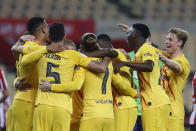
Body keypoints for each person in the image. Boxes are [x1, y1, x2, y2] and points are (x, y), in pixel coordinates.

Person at [78, 33, 138, 131]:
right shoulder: (111, 63)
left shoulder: (86, 63)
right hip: (111, 112)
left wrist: (135, 93)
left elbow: (121, 85)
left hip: (119, 105)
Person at [117, 23, 170, 131]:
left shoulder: (146, 48)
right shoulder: (139, 52)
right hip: (154, 101)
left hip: (154, 102)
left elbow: (149, 66)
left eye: (130, 33)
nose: (127, 37)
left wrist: (125, 63)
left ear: (137, 35)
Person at [7, 17, 49, 131]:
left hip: (22, 99)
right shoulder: (34, 48)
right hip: (27, 101)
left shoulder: (29, 52)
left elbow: (21, 76)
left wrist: (16, 82)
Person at [97, 33, 138, 131]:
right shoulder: (122, 57)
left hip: (121, 104)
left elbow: (121, 85)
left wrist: (135, 93)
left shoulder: (114, 59)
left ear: (107, 47)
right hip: (130, 104)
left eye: (99, 48)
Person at [159, 28, 190, 131]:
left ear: (180, 43)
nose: (166, 41)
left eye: (170, 40)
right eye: (166, 39)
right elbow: (152, 49)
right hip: (162, 110)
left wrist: (163, 59)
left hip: (174, 113)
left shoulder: (183, 62)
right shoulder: (169, 58)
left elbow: (177, 67)